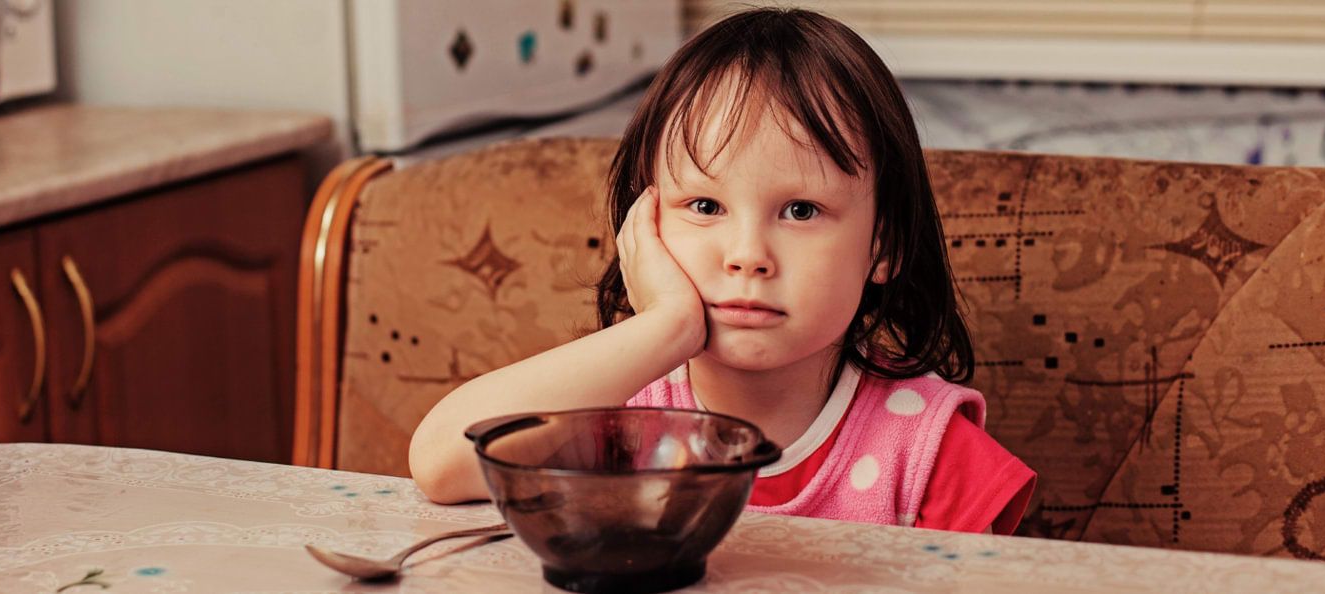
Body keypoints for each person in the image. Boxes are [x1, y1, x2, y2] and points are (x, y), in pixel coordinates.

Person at [407, 7, 1036, 534]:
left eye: (800, 210)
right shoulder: (614, 406)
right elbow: (441, 464)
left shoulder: (925, 449)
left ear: (884, 246)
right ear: (644, 227)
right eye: (704, 206)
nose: (746, 254)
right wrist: (667, 326)